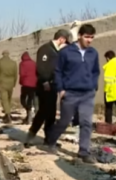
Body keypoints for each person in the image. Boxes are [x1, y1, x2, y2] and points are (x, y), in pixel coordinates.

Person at [45, 24, 100, 163]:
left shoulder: (93, 53)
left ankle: (83, 152)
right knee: (64, 122)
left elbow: (95, 71)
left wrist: (93, 86)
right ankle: (50, 141)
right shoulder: (66, 52)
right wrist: (61, 90)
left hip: (87, 94)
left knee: (86, 122)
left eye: (92, 37)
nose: (89, 40)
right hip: (70, 93)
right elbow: (58, 72)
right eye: (87, 37)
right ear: (80, 36)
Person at [24, 29, 71, 147]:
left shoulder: (56, 51)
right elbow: (41, 67)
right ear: (62, 39)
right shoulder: (45, 49)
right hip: (45, 85)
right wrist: (45, 81)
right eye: (65, 42)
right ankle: (31, 135)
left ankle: (49, 139)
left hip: (53, 85)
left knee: (51, 113)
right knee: (44, 111)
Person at [0, 50, 17, 123]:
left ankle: (8, 115)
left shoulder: (0, 62)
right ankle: (7, 114)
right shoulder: (13, 63)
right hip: (11, 83)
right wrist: (14, 83)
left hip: (3, 83)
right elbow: (15, 75)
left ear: (3, 54)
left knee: (4, 100)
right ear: (8, 54)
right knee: (9, 99)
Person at [18, 52, 37, 124]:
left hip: (25, 84)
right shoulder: (34, 63)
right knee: (30, 99)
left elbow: (21, 74)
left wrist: (21, 82)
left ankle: (28, 112)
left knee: (22, 99)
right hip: (34, 85)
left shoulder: (22, 64)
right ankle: (29, 116)